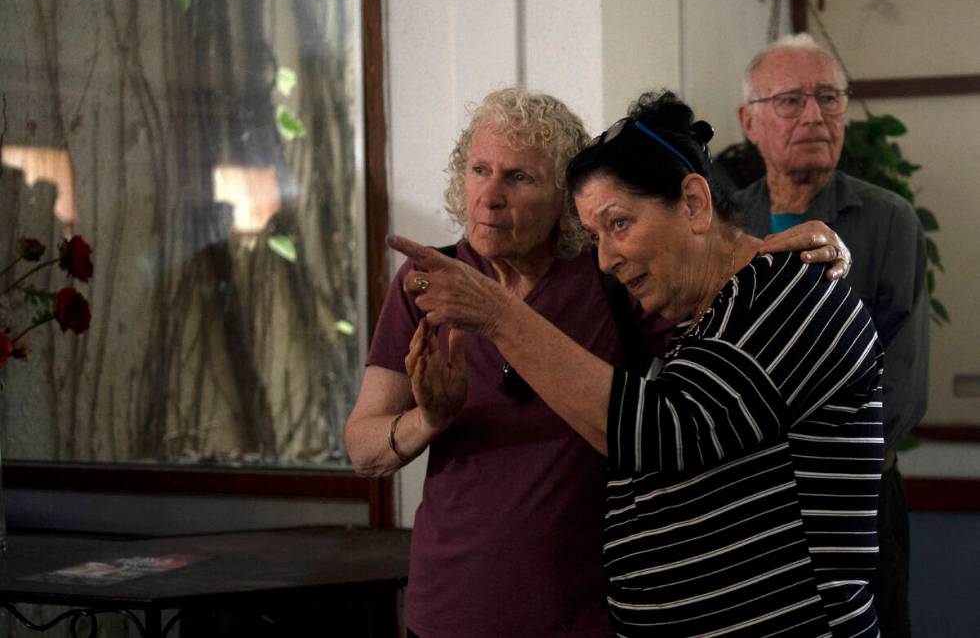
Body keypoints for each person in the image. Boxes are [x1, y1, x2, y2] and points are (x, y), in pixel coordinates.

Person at [345, 87, 850, 638]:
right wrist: (430, 419)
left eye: (519, 178)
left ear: (563, 201)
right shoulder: (426, 282)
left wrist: (774, 247)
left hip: (579, 611)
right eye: (479, 169)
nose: (489, 197)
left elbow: (707, 322)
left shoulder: (613, 275)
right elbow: (364, 449)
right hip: (450, 607)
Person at [736, 33, 928, 638]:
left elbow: (904, 376)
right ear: (749, 121)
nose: (816, 115)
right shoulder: (721, 224)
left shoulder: (889, 219)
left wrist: (824, 464)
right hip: (744, 504)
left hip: (859, 501)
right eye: (792, 100)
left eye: (830, 97)